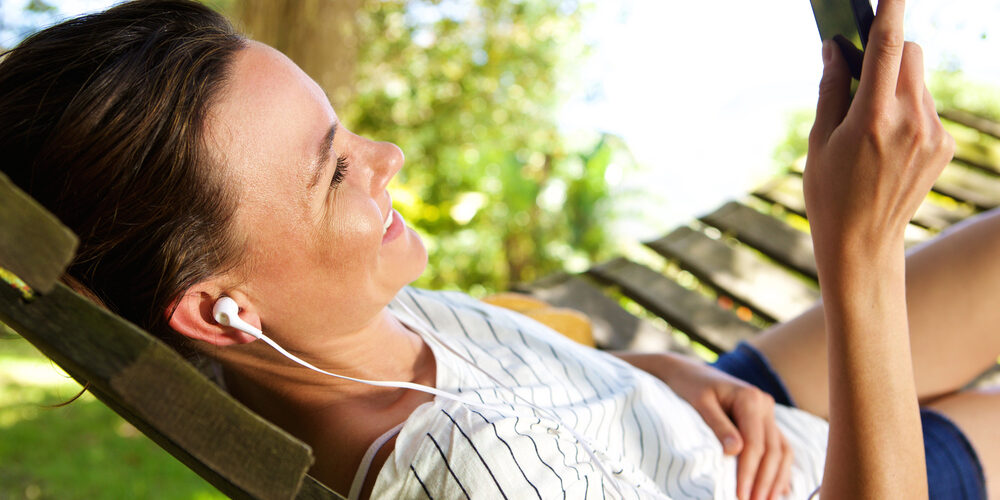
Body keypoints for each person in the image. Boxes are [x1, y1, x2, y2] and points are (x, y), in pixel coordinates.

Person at [0, 0, 995, 498]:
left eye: (343, 130)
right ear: (223, 310)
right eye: (333, 169)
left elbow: (536, 380)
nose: (384, 155)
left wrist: (669, 372)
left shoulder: (330, 331)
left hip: (698, 421)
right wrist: (856, 253)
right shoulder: (475, 474)